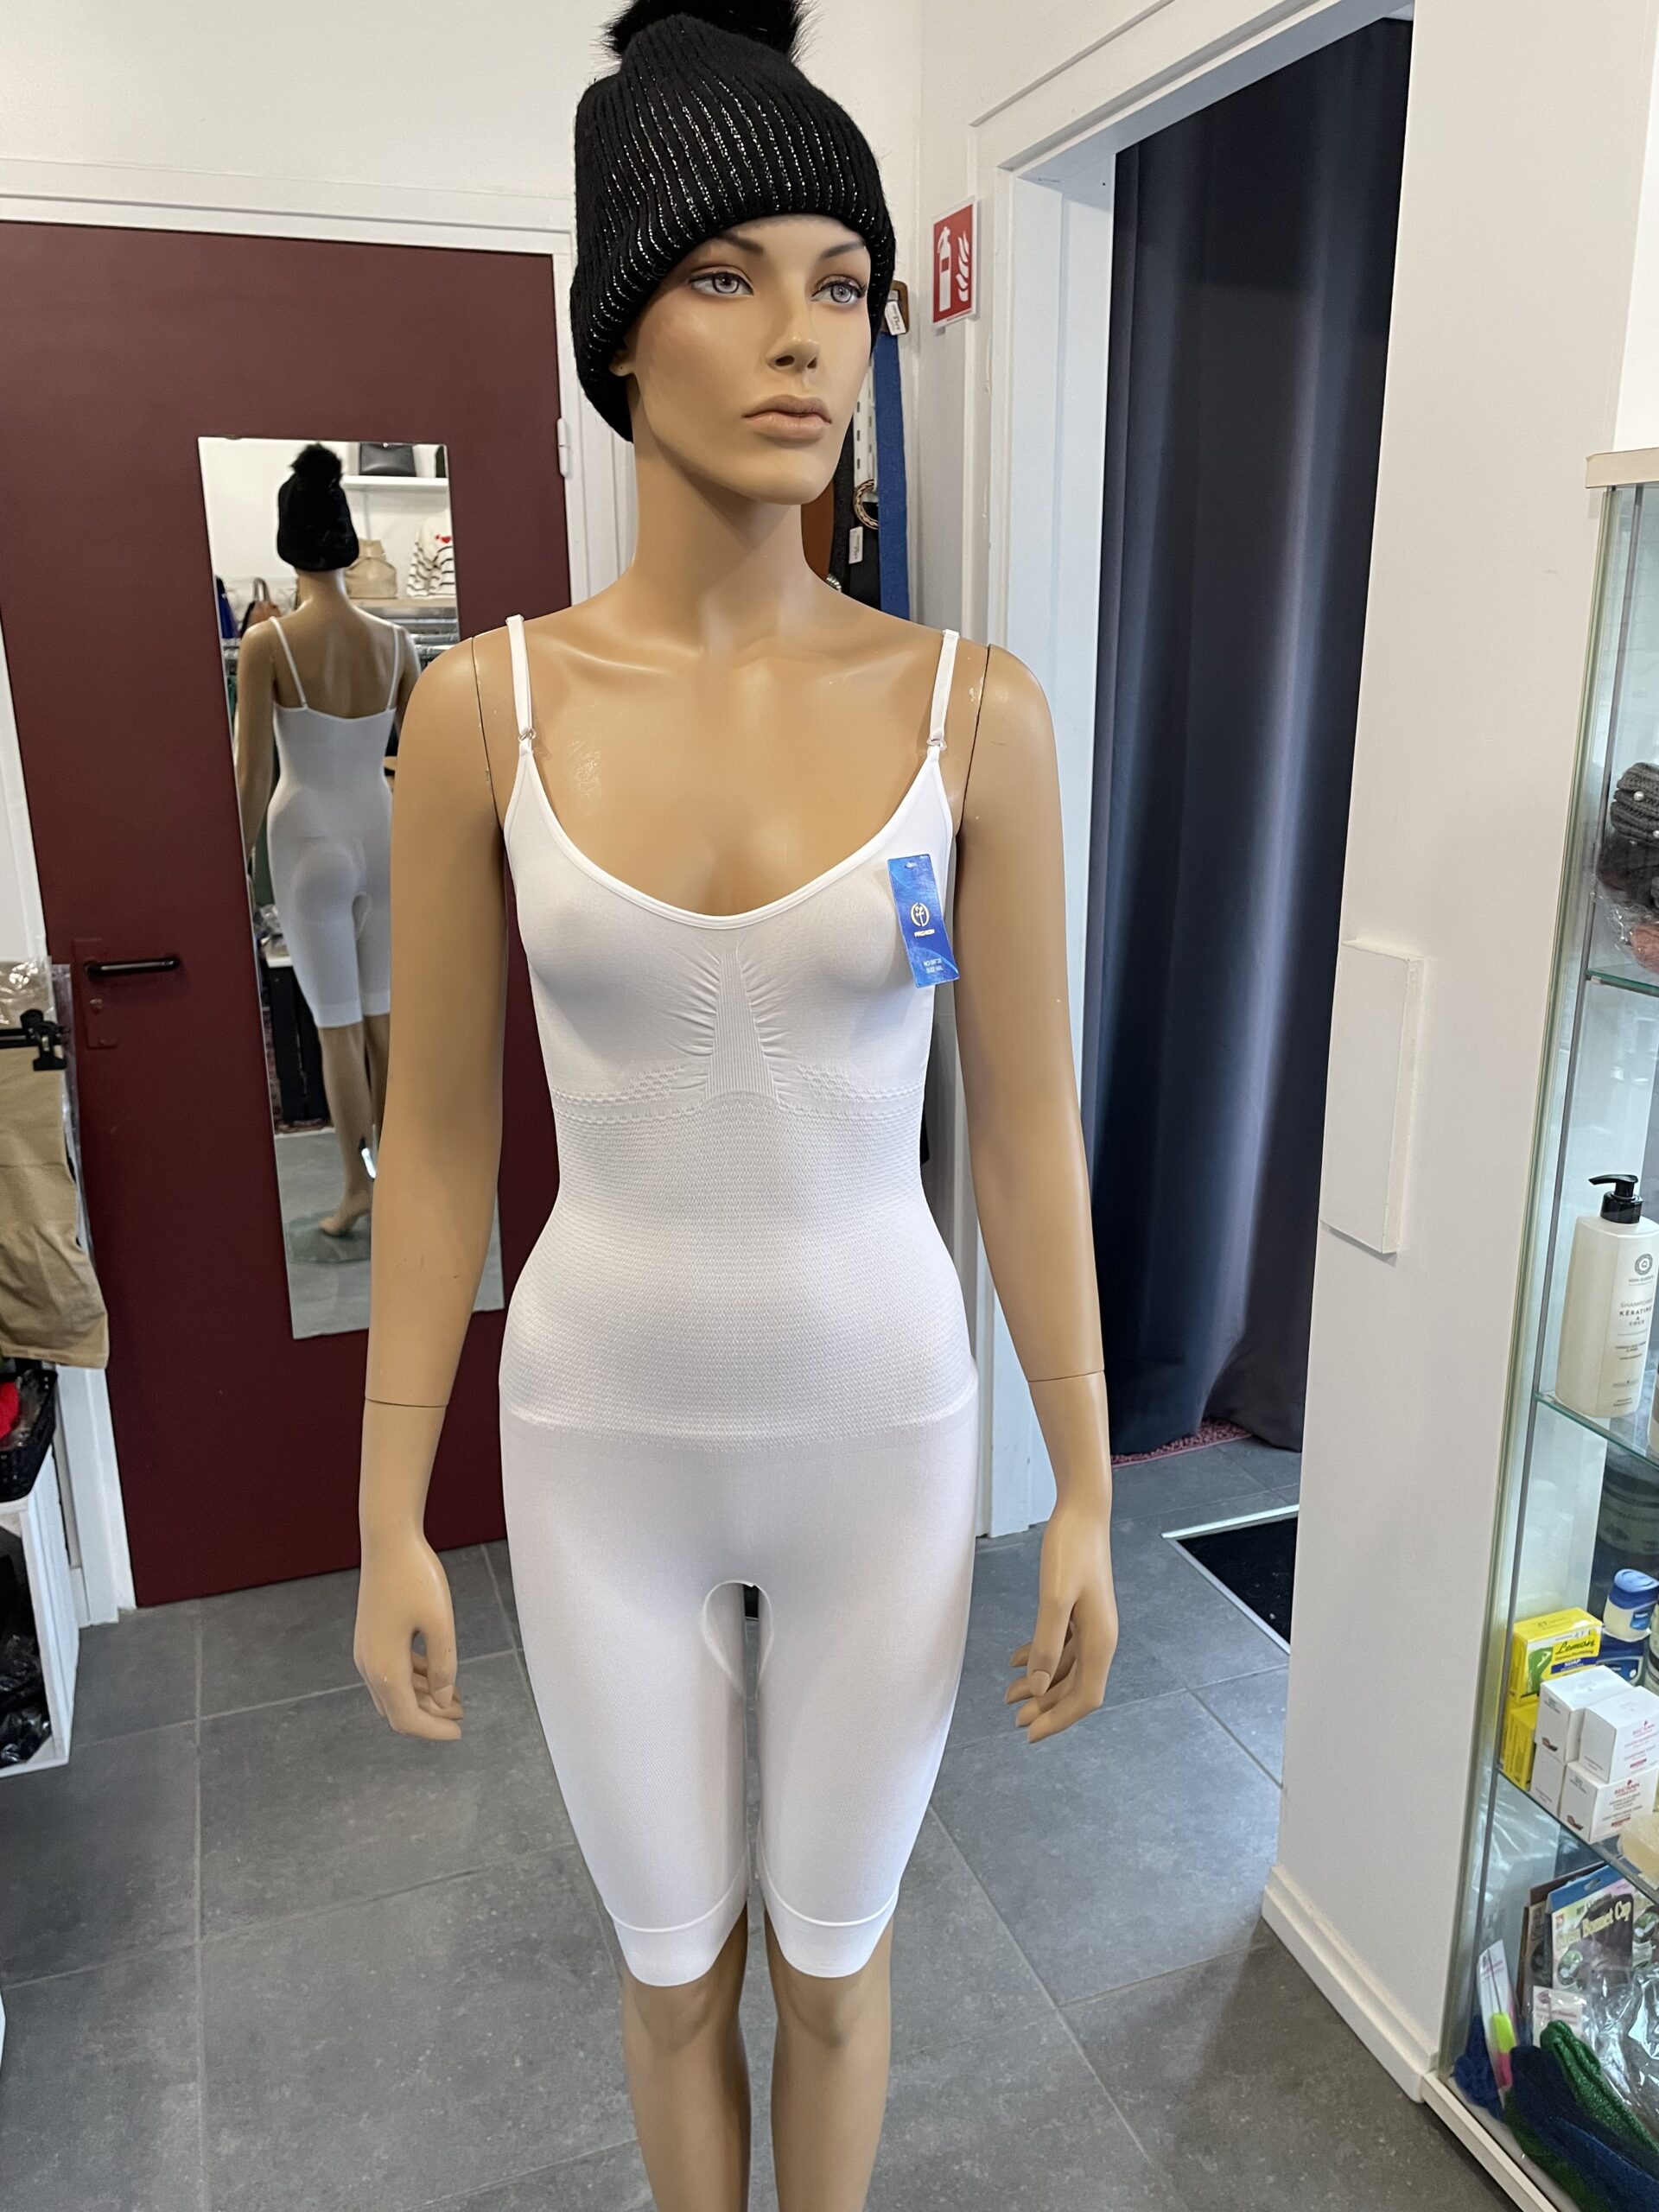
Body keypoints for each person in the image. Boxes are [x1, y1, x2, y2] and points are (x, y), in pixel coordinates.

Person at [353, 5, 1119, 2205]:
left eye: (845, 283)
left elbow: (1026, 1128)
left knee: (839, 1969)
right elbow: (441, 1148)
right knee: (674, 1970)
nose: (805, 336)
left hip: (883, 1427)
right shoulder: (477, 712)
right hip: (602, 1439)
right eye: (726, 273)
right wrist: (387, 1507)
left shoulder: (975, 714)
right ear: (620, 329)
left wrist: (1082, 1479)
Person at [234, 444, 416, 1236]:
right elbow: (426, 764)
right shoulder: (397, 644)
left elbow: (250, 777)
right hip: (383, 830)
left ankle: (357, 1186)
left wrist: (235, 872)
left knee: (336, 1027)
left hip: (306, 838)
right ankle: (403, 1177)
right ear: (346, 541)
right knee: (386, 1022)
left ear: (289, 544)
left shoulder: (267, 644)